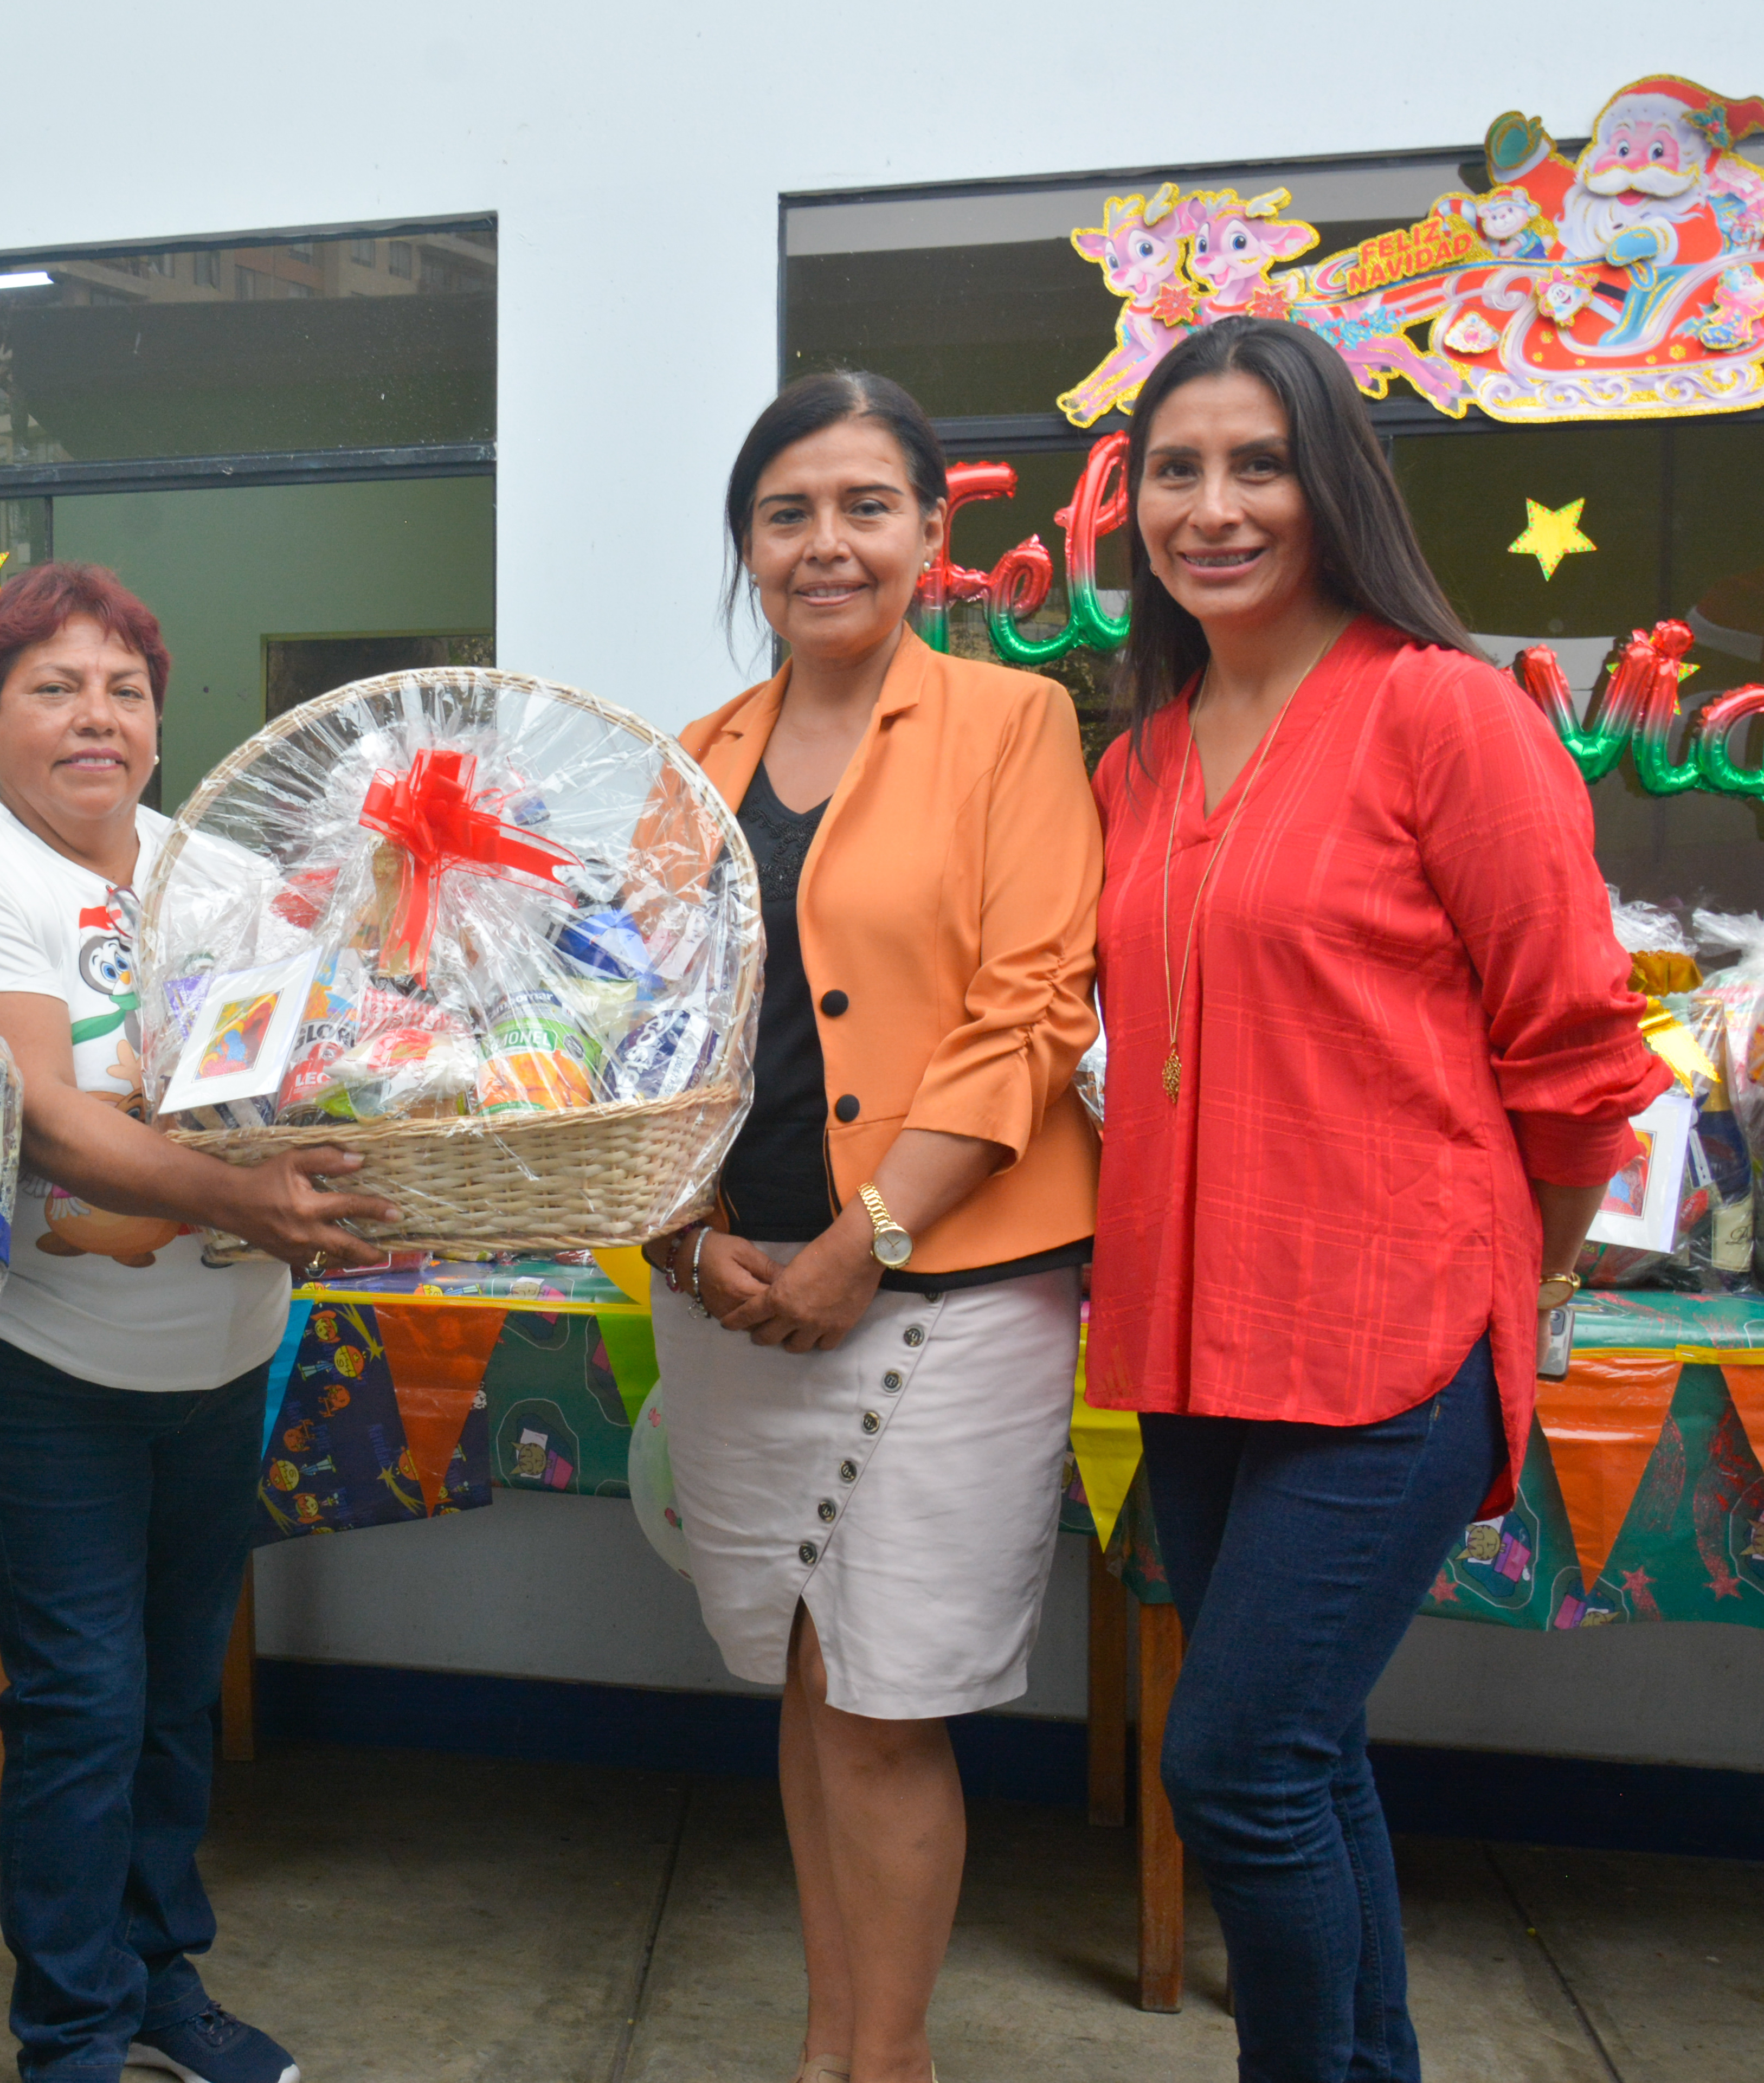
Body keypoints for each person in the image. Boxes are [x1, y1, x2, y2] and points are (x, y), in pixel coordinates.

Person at [1086, 317, 1667, 2079]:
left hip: (1393, 1325)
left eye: (1255, 463)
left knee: (1233, 1762)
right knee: (1308, 1749)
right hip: (1192, 1334)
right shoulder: (1140, 754)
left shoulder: (1445, 715)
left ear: (1333, 481)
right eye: (1174, 470)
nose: (1211, 507)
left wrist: (1523, 1275)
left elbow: (1573, 1050)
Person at [639, 372, 1102, 2083]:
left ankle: (886, 2060)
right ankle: (830, 2048)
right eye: (786, 512)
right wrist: (682, 1235)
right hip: (731, 1294)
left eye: (861, 506)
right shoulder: (689, 760)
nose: (823, 542)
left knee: (888, 1702)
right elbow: (637, 1026)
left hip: (947, 1294)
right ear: (748, 546)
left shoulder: (1014, 724)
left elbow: (1031, 1006)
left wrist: (867, 1240)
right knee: (803, 1674)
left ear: (928, 530)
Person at [0, 563, 392, 2083]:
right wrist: (245, 1197)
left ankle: (162, 1978)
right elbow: (44, 1118)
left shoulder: (213, 874)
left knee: (174, 1693)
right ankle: (72, 2028)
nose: (93, 716)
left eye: (121, 688)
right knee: (79, 1694)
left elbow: (301, 1077)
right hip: (44, 1357)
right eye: (50, 686)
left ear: (160, 722)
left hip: (219, 1349)